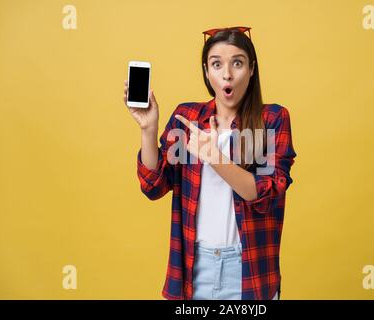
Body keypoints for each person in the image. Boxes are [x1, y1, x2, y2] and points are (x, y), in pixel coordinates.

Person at [122, 26, 297, 300]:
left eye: (237, 63)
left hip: (249, 274)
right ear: (206, 71)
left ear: (251, 69)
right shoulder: (188, 118)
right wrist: (148, 129)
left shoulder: (271, 120)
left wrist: (215, 158)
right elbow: (153, 186)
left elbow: (264, 195)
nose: (227, 74)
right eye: (217, 64)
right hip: (194, 271)